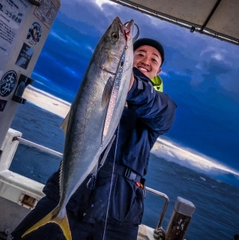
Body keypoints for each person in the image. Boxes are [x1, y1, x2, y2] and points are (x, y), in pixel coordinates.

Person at [10, 38, 177, 240]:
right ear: (129, 57)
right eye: (140, 54)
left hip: (119, 214)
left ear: (158, 71)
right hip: (71, 195)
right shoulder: (102, 85)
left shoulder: (163, 104)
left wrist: (129, 84)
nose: (145, 60)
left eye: (154, 59)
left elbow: (157, 111)